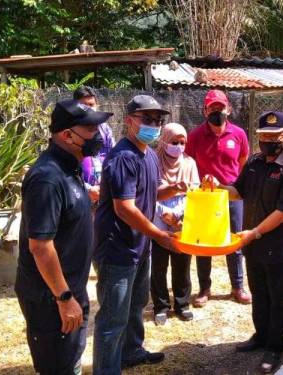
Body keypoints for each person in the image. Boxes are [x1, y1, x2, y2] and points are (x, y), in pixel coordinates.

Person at [15, 99, 112, 374]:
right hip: (52, 299)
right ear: (67, 135)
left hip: (70, 290)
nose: (98, 135)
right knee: (58, 367)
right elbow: (41, 247)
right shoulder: (47, 178)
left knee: (71, 362)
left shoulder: (71, 166)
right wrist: (64, 298)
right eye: (91, 130)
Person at [92, 95, 183, 374]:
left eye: (158, 120)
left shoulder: (149, 155)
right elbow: (124, 208)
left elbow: (150, 193)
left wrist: (177, 188)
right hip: (117, 249)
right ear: (130, 121)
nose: (154, 125)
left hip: (140, 247)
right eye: (147, 119)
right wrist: (160, 234)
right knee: (112, 320)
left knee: (136, 305)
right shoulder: (122, 157)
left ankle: (131, 352)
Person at [212, 111, 283, 373]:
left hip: (277, 246)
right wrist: (216, 187)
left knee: (278, 298)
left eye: (273, 136)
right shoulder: (254, 163)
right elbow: (237, 191)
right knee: (260, 294)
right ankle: (261, 336)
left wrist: (254, 232)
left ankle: (275, 347)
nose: (267, 140)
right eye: (263, 135)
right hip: (253, 244)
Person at [185, 89, 251, 306]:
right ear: (205, 111)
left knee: (234, 241)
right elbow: (188, 163)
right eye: (212, 108)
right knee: (204, 243)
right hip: (205, 198)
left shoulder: (239, 134)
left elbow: (243, 160)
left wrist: (232, 185)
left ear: (228, 109)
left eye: (220, 107)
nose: (217, 111)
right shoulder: (194, 136)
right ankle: (204, 288)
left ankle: (238, 286)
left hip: (232, 195)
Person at [150, 123, 199, 325]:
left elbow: (194, 192)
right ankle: (160, 306)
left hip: (182, 218)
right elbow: (148, 192)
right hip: (157, 215)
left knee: (182, 264)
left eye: (182, 142)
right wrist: (164, 213)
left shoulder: (189, 163)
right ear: (164, 141)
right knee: (159, 266)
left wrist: (178, 215)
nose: (178, 146)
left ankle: (182, 304)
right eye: (174, 142)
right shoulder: (152, 160)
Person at [73, 86, 116, 204]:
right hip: (80, 194)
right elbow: (66, 169)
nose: (88, 109)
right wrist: (88, 189)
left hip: (104, 191)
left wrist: (106, 184)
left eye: (91, 105)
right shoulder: (71, 131)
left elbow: (113, 157)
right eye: (83, 106)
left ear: (97, 105)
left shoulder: (105, 128)